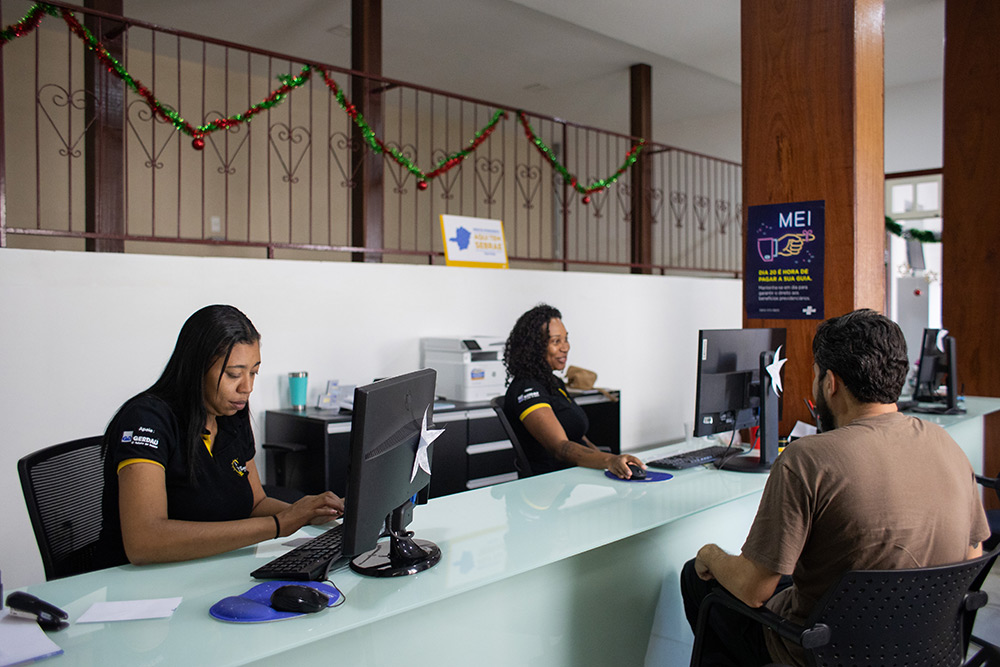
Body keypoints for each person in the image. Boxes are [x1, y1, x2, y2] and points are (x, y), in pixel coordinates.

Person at [680, 309, 990, 667]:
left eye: (814, 377)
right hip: (926, 647)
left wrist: (711, 554)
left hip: (819, 650)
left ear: (831, 383)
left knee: (700, 579)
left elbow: (753, 590)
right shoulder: (945, 443)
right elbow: (973, 553)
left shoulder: (808, 458)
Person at [97, 304, 344, 567]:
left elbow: (255, 502)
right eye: (234, 374)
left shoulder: (231, 417)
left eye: (253, 372)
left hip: (206, 568)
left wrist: (305, 513)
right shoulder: (146, 419)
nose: (247, 387)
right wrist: (278, 525)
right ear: (196, 369)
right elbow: (144, 542)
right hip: (136, 586)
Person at [502, 303, 644, 478]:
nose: (565, 347)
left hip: (572, 478)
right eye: (556, 341)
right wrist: (609, 461)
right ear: (534, 347)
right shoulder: (527, 388)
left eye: (565, 339)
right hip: (546, 488)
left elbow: (578, 438)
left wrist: (613, 461)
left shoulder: (553, 382)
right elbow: (560, 448)